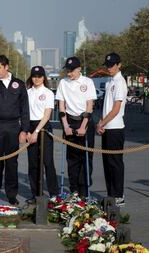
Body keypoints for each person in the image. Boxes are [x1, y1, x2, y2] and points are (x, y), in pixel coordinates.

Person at [0, 55, 30, 205]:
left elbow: (25, 109)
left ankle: (11, 195)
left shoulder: (19, 84)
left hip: (14, 126)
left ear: (6, 67)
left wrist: (24, 130)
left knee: (11, 162)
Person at [56, 56, 97, 197]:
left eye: (72, 71)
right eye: (67, 70)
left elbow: (89, 106)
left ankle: (84, 189)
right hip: (70, 121)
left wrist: (83, 127)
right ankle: (73, 189)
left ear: (79, 69)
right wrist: (66, 126)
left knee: (85, 157)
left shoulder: (88, 82)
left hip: (84, 121)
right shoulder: (63, 83)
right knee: (72, 158)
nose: (69, 74)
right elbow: (61, 106)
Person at [96, 52, 128, 207]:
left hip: (115, 128)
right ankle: (111, 195)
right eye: (107, 65)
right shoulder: (111, 81)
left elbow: (116, 108)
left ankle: (118, 195)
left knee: (115, 163)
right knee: (107, 163)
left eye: (112, 65)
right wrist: (103, 125)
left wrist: (101, 123)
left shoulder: (120, 82)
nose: (109, 68)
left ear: (119, 65)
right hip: (107, 128)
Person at [25, 66, 59, 204]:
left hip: (43, 128)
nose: (36, 79)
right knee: (33, 163)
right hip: (30, 126)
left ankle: (54, 194)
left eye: (39, 76)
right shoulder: (27, 92)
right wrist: (27, 130)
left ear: (43, 77)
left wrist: (36, 132)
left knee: (47, 162)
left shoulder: (48, 93)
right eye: (34, 76)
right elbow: (24, 113)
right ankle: (36, 194)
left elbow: (47, 115)